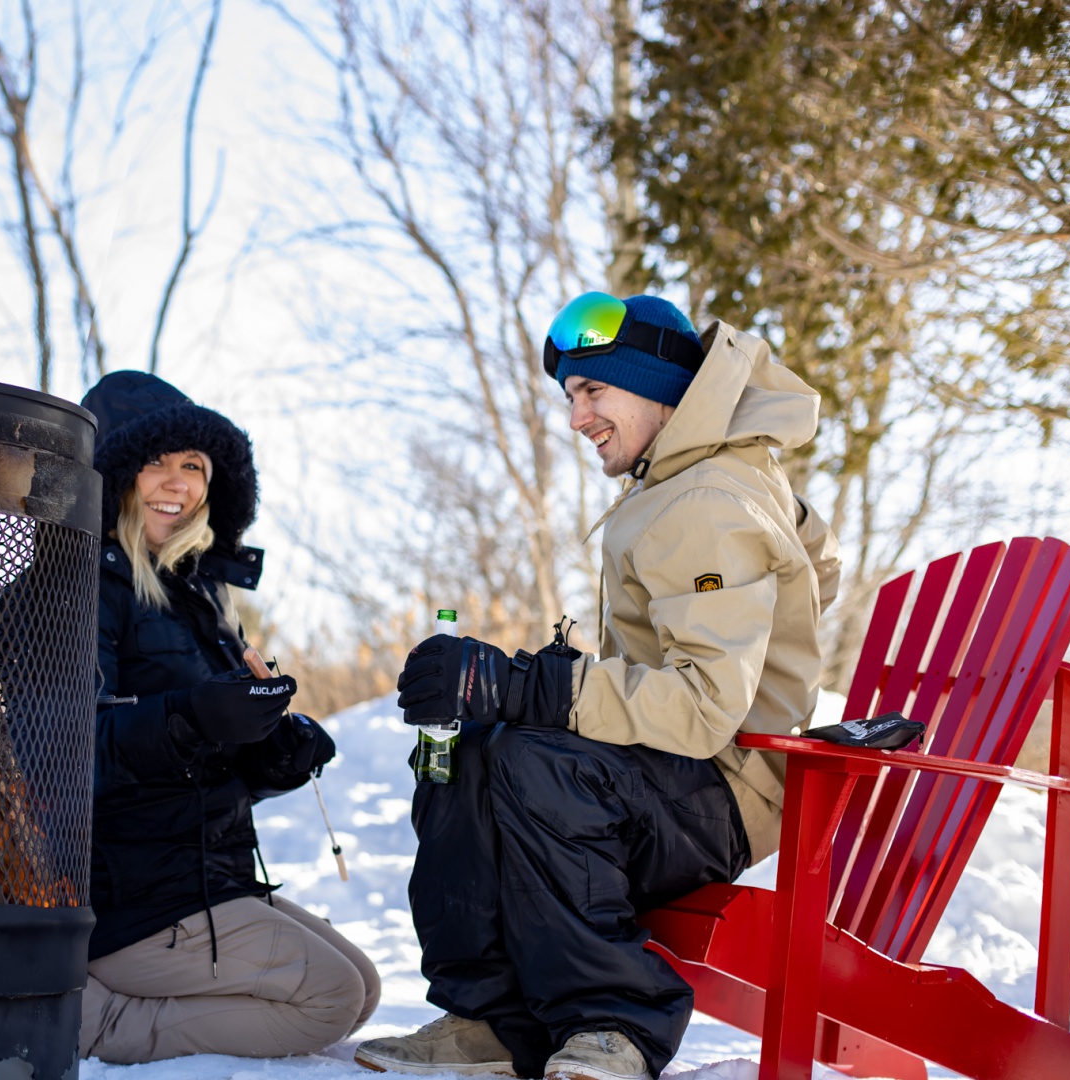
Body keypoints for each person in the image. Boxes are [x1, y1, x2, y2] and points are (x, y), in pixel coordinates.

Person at [354, 294, 841, 1080]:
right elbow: (813, 565)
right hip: (672, 779)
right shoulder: (691, 483)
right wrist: (509, 693)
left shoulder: (708, 497)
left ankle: (613, 1021)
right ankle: (491, 1020)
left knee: (531, 763)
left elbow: (703, 707)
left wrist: (532, 687)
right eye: (571, 396)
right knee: (469, 751)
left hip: (722, 792)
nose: (578, 418)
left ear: (657, 387)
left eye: (594, 392)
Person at [75, 370, 380, 1065]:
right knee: (329, 999)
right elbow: (70, 751)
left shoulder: (197, 597)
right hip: (128, 896)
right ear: (118, 472)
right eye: (155, 462)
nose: (175, 482)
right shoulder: (84, 583)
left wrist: (271, 752)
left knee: (361, 987)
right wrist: (194, 715)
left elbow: (198, 753)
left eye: (192, 466)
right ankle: (100, 1023)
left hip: (204, 875)